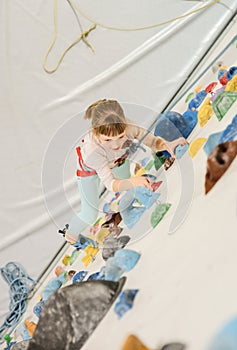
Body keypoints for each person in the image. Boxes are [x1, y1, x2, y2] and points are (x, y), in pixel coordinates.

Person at [65, 99, 187, 244]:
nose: (116, 144)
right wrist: (134, 181)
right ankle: (70, 233)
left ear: (125, 125)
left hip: (117, 161)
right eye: (108, 140)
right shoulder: (93, 151)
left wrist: (167, 144)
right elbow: (110, 184)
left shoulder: (129, 127)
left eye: (121, 136)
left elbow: (152, 142)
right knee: (90, 214)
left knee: (126, 181)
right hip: (89, 171)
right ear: (95, 133)